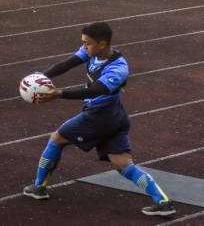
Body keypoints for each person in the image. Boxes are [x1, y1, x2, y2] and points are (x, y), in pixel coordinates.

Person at [22, 22, 176, 216]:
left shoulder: (118, 67)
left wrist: (60, 94)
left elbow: (97, 90)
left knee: (57, 139)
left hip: (99, 116)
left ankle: (39, 188)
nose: (84, 47)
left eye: (87, 43)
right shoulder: (92, 52)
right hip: (115, 116)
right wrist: (39, 77)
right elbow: (67, 64)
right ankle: (163, 201)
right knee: (122, 163)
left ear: (102, 44)